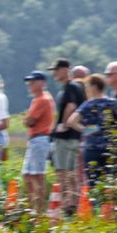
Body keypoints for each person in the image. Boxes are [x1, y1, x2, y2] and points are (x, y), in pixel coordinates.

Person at [77, 74, 117, 195]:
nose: (86, 90)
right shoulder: (112, 103)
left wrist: (88, 130)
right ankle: (110, 210)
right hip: (110, 148)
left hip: (91, 148)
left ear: (94, 86)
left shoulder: (88, 104)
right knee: (111, 181)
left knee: (93, 181)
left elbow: (71, 121)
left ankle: (96, 209)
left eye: (87, 86)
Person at [49, 59, 85, 214]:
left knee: (62, 172)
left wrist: (64, 123)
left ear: (65, 70)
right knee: (72, 174)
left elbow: (71, 105)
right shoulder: (76, 87)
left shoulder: (70, 87)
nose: (54, 73)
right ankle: (74, 205)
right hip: (75, 137)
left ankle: (65, 206)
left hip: (65, 138)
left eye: (57, 70)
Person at [20, 71, 55, 213]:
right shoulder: (39, 99)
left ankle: (40, 209)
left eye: (33, 81)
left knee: (37, 175)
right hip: (35, 139)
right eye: (29, 82)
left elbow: (29, 121)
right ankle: (32, 207)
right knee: (27, 174)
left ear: (42, 83)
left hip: (40, 138)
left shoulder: (42, 99)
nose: (30, 85)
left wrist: (26, 120)